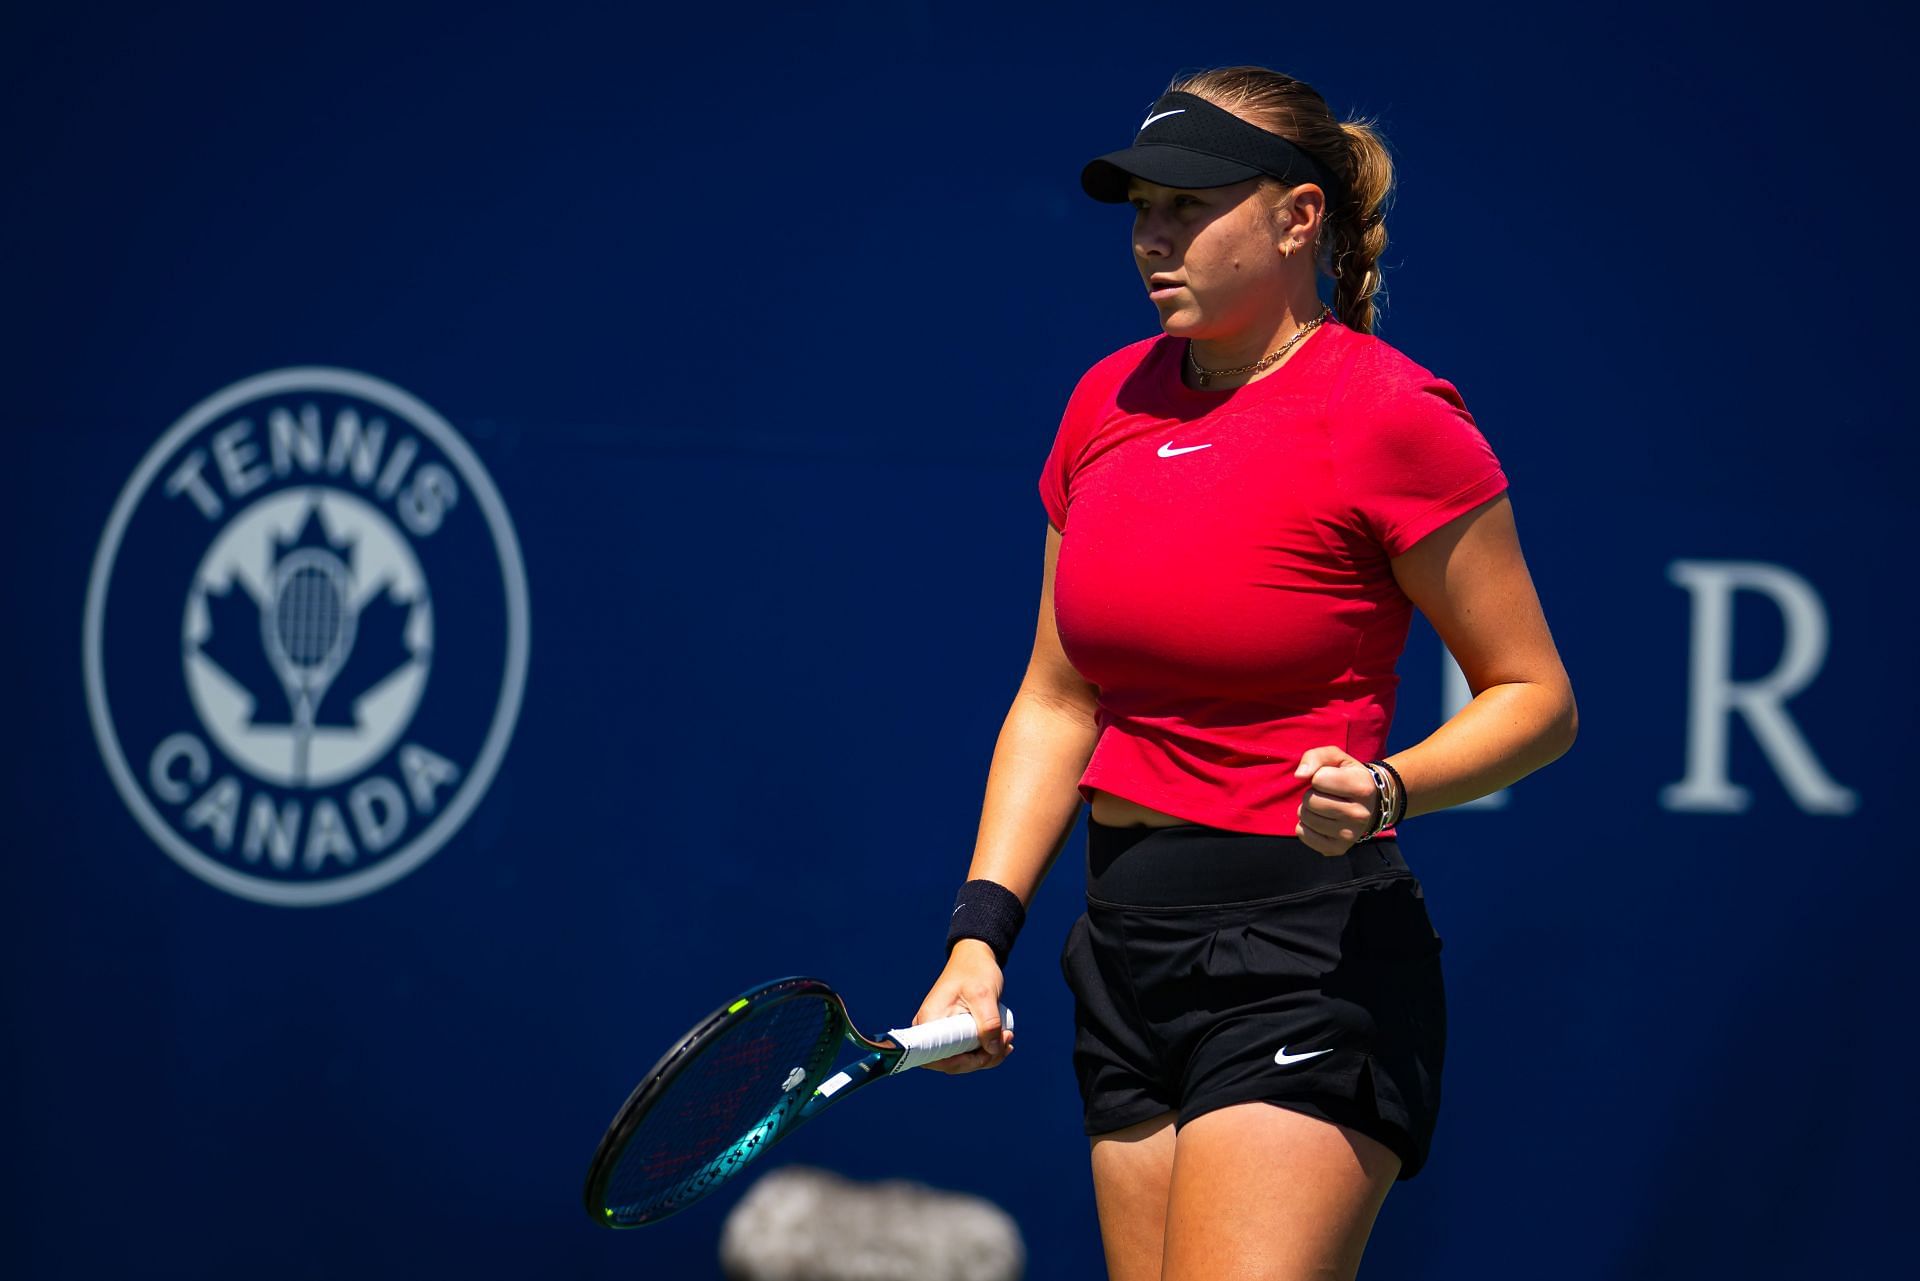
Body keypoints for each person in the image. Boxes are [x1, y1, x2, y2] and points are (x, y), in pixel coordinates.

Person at [910, 65, 1577, 1281]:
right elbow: (1059, 699)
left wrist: (1388, 788)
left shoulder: (1391, 414)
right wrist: (980, 935)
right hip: (1123, 953)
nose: (1155, 238)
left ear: (1296, 217)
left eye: (1190, 205)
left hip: (1306, 959)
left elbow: (1537, 700)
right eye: (1141, 210)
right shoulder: (1102, 403)